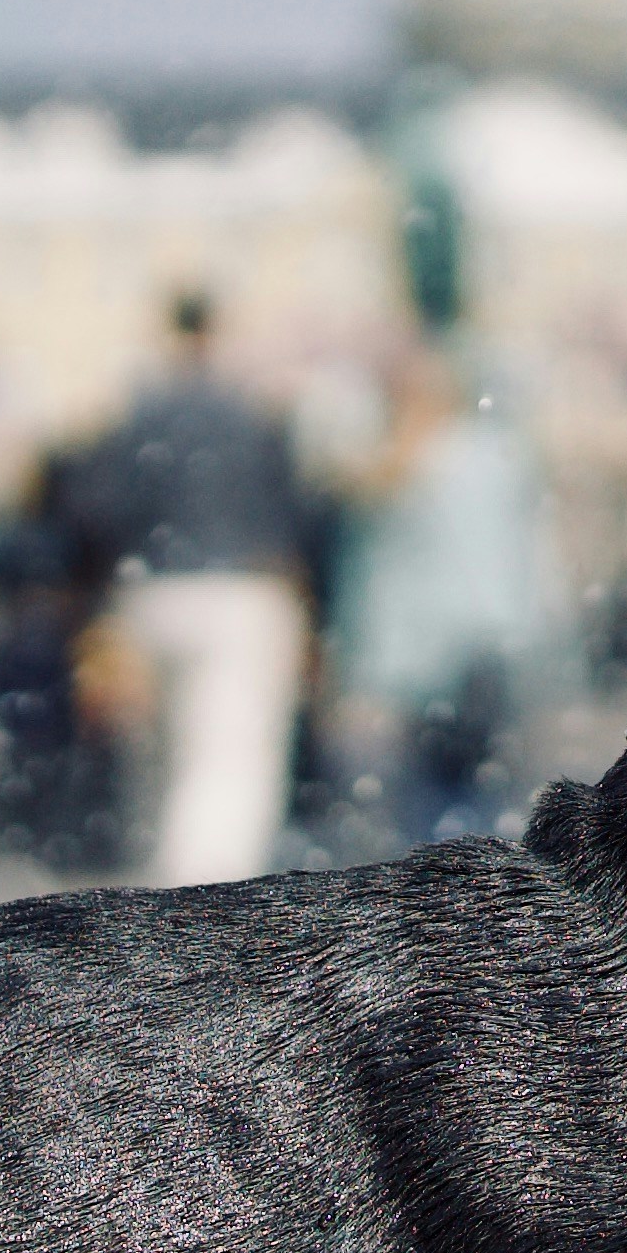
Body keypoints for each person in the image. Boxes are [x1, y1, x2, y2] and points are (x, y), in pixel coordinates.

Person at [61, 288, 316, 886]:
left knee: (156, 763)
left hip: (147, 591)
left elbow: (92, 509)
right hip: (243, 593)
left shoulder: (136, 416)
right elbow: (294, 515)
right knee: (229, 761)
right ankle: (207, 908)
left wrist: (99, 609)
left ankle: (152, 893)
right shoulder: (254, 415)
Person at [330, 344, 556, 852]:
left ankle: (437, 882)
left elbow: (378, 581)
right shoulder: (498, 454)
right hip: (495, 639)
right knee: (484, 783)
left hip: (424, 656)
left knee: (425, 791)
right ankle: (478, 889)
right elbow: (530, 552)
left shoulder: (402, 466)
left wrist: (361, 662)